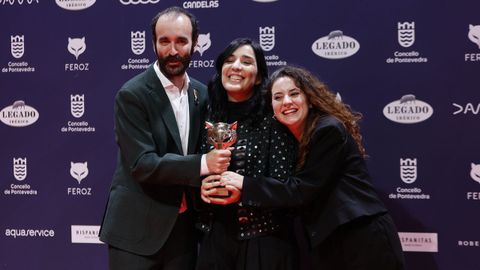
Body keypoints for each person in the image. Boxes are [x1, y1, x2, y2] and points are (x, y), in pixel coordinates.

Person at [205, 65, 406, 270]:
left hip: (361, 237)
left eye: (294, 94)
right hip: (331, 242)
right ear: (272, 108)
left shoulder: (328, 130)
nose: (287, 102)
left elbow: (302, 190)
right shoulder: (296, 139)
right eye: (278, 97)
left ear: (309, 99)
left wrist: (245, 185)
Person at [99, 6, 231, 270]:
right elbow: (142, 164)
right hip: (136, 232)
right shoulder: (133, 95)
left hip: (184, 232)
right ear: (153, 43)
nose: (173, 51)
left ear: (195, 43)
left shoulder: (203, 95)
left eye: (181, 41)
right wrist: (204, 164)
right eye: (164, 41)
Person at [196, 38, 298, 270]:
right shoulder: (207, 116)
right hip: (213, 238)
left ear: (260, 76)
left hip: (263, 241)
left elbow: (286, 187)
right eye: (230, 60)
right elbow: (193, 168)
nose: (236, 67)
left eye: (246, 61)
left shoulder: (274, 118)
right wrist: (202, 188)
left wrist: (243, 191)